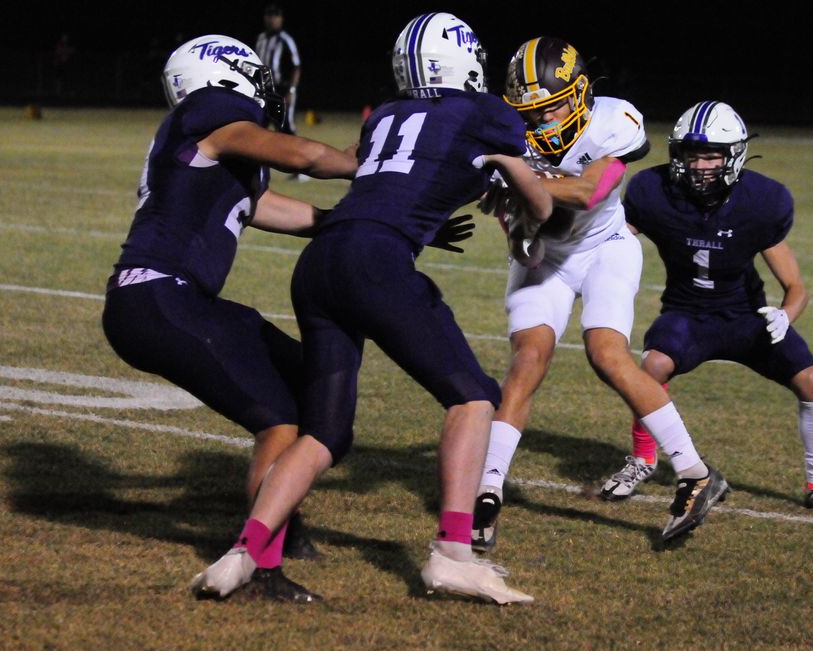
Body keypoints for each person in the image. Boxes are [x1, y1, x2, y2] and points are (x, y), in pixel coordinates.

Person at [189, 12, 551, 605]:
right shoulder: (488, 113)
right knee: (474, 395)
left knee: (326, 430)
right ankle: (453, 555)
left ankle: (242, 555)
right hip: (375, 261)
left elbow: (388, 171)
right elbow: (535, 200)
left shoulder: (385, 113)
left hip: (321, 261)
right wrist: (519, 192)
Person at [101, 34, 363, 594]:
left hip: (175, 297)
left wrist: (359, 221)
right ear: (222, 75)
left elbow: (269, 208)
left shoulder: (210, 150)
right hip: (158, 294)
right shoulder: (211, 110)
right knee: (278, 416)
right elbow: (305, 156)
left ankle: (280, 521)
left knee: (303, 374)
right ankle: (261, 562)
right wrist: (367, 169)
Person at [471, 37, 729, 552]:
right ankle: (487, 489)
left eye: (550, 109)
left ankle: (697, 474)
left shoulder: (611, 121)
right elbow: (495, 207)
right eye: (531, 113)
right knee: (528, 358)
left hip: (606, 247)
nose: (541, 123)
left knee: (607, 354)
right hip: (546, 254)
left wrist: (518, 176)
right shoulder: (505, 134)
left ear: (579, 93)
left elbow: (590, 189)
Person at [598, 100, 813, 517]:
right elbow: (613, 241)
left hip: (745, 316)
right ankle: (641, 461)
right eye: (692, 155)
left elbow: (796, 286)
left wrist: (785, 314)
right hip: (686, 313)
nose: (700, 165)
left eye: (712, 155)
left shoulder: (760, 201)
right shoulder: (653, 191)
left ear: (733, 155)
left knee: (809, 379)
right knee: (653, 365)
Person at [254, 4, 306, 180]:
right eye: (270, 15)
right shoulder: (261, 38)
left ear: (281, 19)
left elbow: (296, 67)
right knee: (257, 126)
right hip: (263, 89)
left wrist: (291, 90)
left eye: (276, 16)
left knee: (286, 128)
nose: (272, 19)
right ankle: (255, 165)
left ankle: (298, 169)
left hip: (281, 89)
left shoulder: (286, 40)